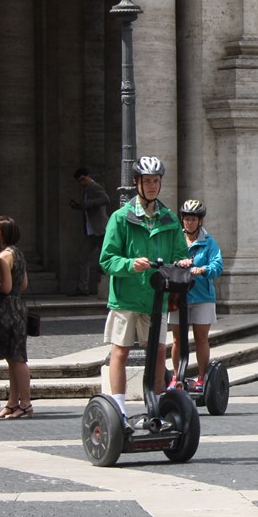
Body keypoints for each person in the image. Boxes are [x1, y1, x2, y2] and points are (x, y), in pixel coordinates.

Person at [99, 156, 191, 424]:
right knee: (121, 351)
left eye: (156, 181)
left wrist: (183, 263)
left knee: (159, 351)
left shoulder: (169, 219)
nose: (152, 186)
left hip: (156, 298)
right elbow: (107, 259)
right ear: (136, 183)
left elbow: (179, 254)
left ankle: (157, 407)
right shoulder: (121, 218)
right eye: (147, 181)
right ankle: (118, 408)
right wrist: (130, 264)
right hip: (126, 297)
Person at [167, 200, 223, 388]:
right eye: (186, 219)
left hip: (202, 297)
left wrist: (204, 269)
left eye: (193, 219)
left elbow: (218, 265)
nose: (189, 223)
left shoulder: (209, 242)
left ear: (200, 221)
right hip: (179, 296)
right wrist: (177, 264)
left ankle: (201, 376)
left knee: (201, 338)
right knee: (177, 339)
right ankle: (177, 376)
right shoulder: (176, 240)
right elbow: (168, 261)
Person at [0, 216, 32, 419]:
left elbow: (5, 287)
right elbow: (22, 284)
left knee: (16, 358)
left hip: (5, 309)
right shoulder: (18, 253)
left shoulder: (3, 257)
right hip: (18, 307)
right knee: (14, 357)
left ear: (4, 234)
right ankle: (13, 403)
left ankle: (25, 403)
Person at [69, 167, 110, 296]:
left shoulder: (95, 187)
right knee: (83, 257)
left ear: (88, 176)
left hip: (100, 229)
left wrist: (88, 203)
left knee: (106, 257)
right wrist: (78, 206)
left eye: (83, 179)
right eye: (79, 181)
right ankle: (83, 288)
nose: (82, 183)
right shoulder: (87, 189)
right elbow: (87, 207)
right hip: (91, 231)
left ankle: (109, 285)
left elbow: (105, 199)